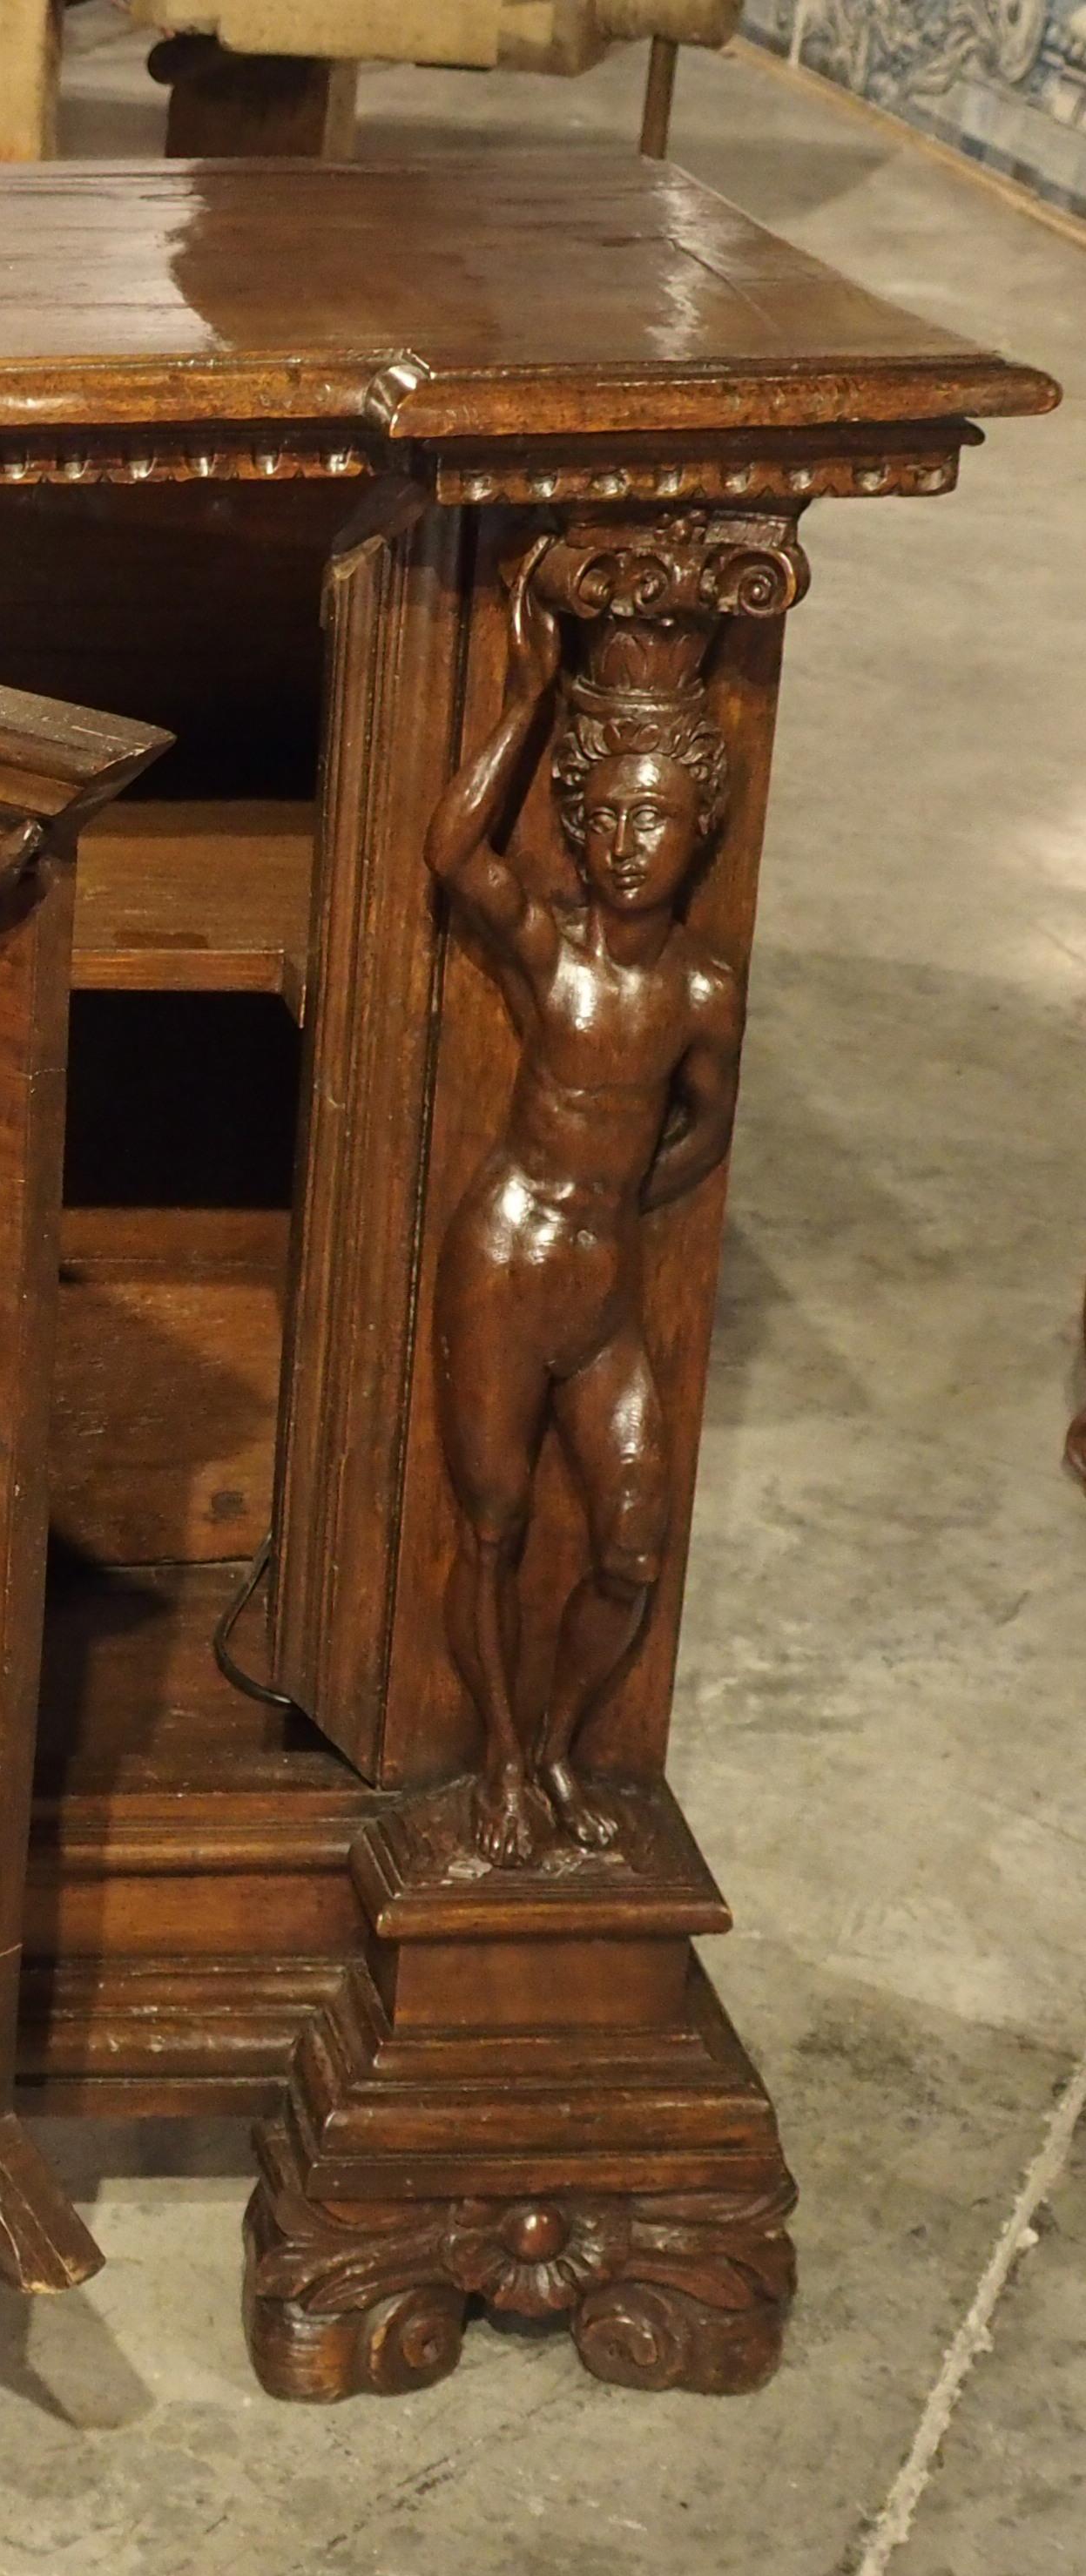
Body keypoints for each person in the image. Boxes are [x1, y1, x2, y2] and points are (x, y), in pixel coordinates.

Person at [428, 542, 744, 1868]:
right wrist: (529, 696)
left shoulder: (700, 995)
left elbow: (702, 1128)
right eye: (603, 817)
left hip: (602, 1284)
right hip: (506, 1260)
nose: (624, 845)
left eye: (654, 819)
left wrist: (615, 1210)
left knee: (630, 1545)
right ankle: (500, 1761)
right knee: (493, 1529)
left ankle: (556, 1749)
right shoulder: (552, 953)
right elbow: (456, 850)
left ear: (700, 830)